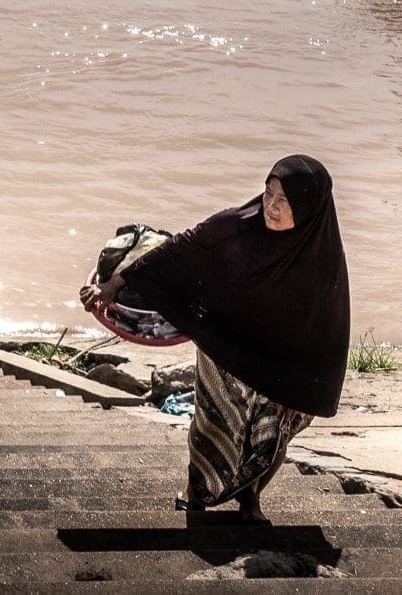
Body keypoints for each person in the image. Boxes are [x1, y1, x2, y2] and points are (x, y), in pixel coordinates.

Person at [81, 155, 349, 523]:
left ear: (308, 208)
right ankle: (195, 492)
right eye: (268, 193)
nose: (271, 205)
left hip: (283, 363)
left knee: (271, 435)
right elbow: (178, 251)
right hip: (225, 346)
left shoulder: (322, 259)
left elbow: (327, 333)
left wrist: (301, 392)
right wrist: (114, 284)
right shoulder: (237, 226)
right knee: (213, 423)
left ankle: (250, 501)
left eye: (284, 200)